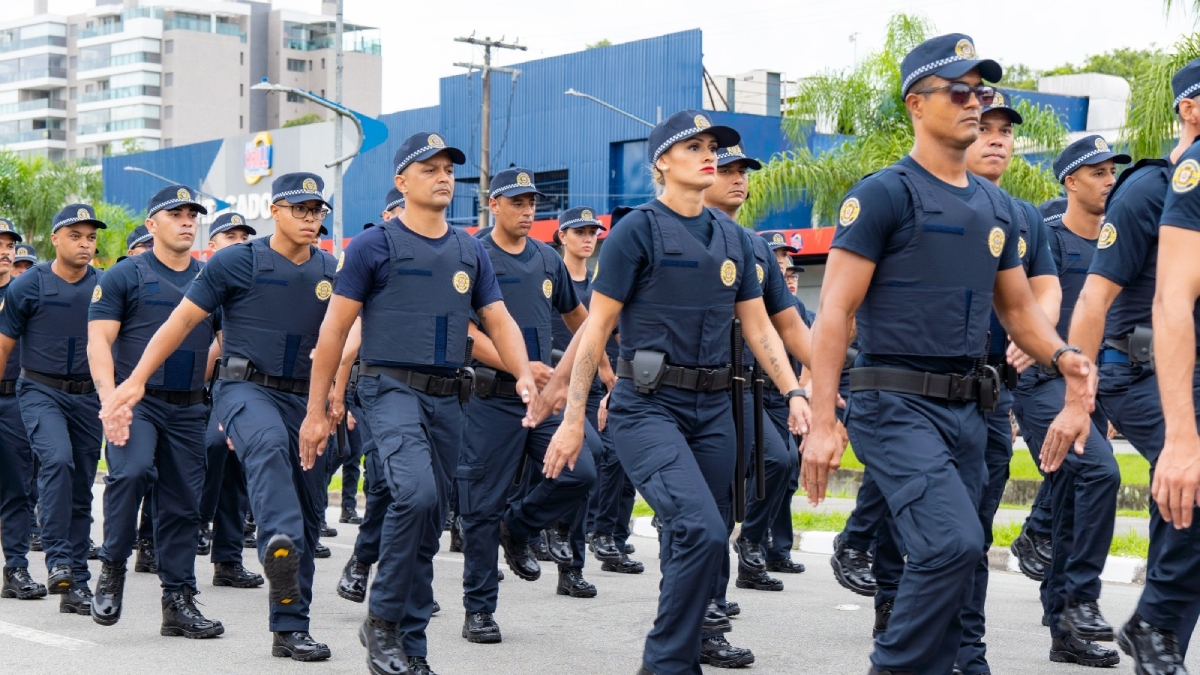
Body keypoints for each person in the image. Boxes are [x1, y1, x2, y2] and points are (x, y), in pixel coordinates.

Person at [802, 35, 1095, 675]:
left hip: (970, 413)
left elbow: (1017, 309)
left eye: (983, 92)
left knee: (963, 556)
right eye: (959, 92)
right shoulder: (884, 194)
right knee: (952, 545)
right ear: (917, 104)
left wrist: (1065, 356)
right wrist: (824, 419)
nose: (975, 105)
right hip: (894, 404)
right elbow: (835, 313)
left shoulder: (995, 205)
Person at [536, 109, 810, 675]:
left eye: (712, 146)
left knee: (704, 540)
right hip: (648, 407)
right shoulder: (637, 230)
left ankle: (679, 655)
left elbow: (760, 328)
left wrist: (797, 393)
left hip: (715, 409)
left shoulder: (736, 240)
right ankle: (665, 663)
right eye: (695, 147)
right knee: (701, 530)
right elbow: (596, 331)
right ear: (662, 162)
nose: (709, 154)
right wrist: (571, 417)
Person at [298, 133, 529, 675]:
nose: (444, 176)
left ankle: (412, 647)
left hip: (450, 396)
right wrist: (317, 409)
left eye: (449, 168)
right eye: (429, 169)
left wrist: (525, 375)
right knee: (417, 495)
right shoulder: (374, 245)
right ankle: (380, 619)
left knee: (428, 525)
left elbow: (498, 320)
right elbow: (334, 332)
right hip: (389, 388)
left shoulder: (469, 249)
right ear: (402, 182)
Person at [100, 172, 338, 662]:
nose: (310, 218)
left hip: (303, 399)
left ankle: (290, 627)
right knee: (267, 446)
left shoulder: (331, 271)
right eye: (300, 209)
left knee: (311, 514)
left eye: (317, 210)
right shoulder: (235, 262)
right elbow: (180, 323)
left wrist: (337, 394)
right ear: (274, 211)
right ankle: (273, 540)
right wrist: (137, 379)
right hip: (244, 388)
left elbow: (349, 335)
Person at [1058, 58, 1200, 673]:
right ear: (1188, 109)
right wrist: (1076, 393)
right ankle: (1155, 622)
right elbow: (1093, 297)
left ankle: (1158, 628)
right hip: (1131, 371)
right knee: (1190, 469)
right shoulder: (1147, 190)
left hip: (1184, 371)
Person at [457, 167, 602, 642]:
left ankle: (518, 528)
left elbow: (584, 319)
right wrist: (518, 366)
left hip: (543, 400)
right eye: (516, 202)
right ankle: (479, 610)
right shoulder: (472, 253)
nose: (527, 211)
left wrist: (593, 368)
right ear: (493, 204)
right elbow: (463, 329)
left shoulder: (545, 258)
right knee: (480, 507)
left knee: (580, 471)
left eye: (532, 203)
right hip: (491, 398)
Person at [955, 91, 1065, 674]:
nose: (996, 138)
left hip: (991, 392)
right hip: (918, 391)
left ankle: (966, 649)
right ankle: (904, 611)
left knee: (976, 525)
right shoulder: (912, 198)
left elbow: (1045, 286)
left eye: (1005, 130)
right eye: (985, 127)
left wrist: (1034, 329)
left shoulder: (1021, 216)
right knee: (941, 525)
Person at [1008, 136, 1127, 668]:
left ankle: (1064, 629)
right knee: (1098, 474)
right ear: (1070, 182)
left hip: (1092, 384)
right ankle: (1079, 600)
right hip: (1042, 381)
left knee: (1074, 493)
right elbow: (1013, 295)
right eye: (1097, 172)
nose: (1109, 181)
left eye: (1112, 172)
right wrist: (1025, 332)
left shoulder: (1118, 241)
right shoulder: (1045, 235)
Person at [87, 186, 225, 637]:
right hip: (136, 405)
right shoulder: (126, 275)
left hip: (189, 407)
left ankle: (178, 601)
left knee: (184, 503)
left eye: (193, 215)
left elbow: (228, 340)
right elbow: (99, 341)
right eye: (176, 214)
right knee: (130, 474)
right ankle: (112, 566)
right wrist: (111, 399)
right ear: (152, 224)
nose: (187, 221)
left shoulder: (211, 278)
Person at [0, 204, 106, 615]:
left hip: (87, 396)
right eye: (75, 235)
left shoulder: (104, 284)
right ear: (55, 238)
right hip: (39, 389)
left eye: (91, 236)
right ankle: (58, 558)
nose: (84, 243)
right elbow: (6, 346)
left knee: (81, 486)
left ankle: (75, 582)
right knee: (56, 461)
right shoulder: (30, 286)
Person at [335, 187, 407, 606]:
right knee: (382, 480)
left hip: (429, 391)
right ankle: (362, 562)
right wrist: (337, 393)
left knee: (423, 492)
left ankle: (410, 577)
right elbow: (346, 335)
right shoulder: (368, 255)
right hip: (375, 386)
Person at [193, 211, 265, 589]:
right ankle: (194, 522)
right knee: (211, 449)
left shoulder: (249, 285)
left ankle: (228, 559)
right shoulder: (201, 280)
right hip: (192, 390)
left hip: (231, 388)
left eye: (243, 236)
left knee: (235, 466)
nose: (239, 241)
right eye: (229, 236)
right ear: (212, 245)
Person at [0, 218, 46, 601]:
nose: (4, 250)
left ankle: (15, 569)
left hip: (13, 397)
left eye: (9, 244)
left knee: (18, 485)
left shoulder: (26, 293)